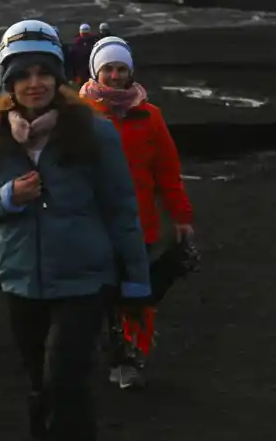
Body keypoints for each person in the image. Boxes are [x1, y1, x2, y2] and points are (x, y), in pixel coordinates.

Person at [0, 20, 152, 441]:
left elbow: (121, 208)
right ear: (9, 80)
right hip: (20, 278)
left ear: (58, 75)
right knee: (39, 384)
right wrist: (7, 197)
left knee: (66, 381)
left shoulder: (94, 130)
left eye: (44, 72)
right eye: (23, 75)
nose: (35, 83)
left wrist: (137, 281)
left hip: (84, 279)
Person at [79, 36, 197, 390]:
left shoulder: (150, 116)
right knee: (95, 295)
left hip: (138, 225)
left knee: (135, 296)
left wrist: (181, 216)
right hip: (90, 225)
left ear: (130, 71)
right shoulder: (77, 115)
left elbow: (167, 171)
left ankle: (128, 361)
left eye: (121, 69)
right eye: (108, 69)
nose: (115, 76)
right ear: (95, 71)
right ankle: (98, 349)